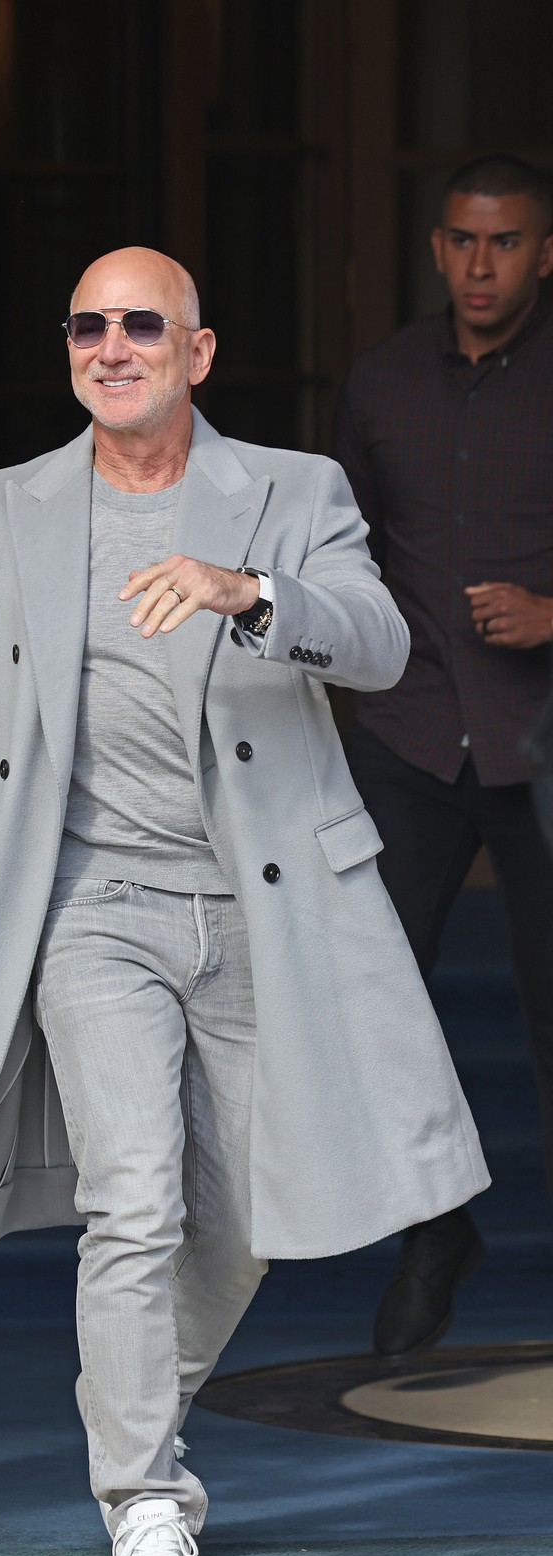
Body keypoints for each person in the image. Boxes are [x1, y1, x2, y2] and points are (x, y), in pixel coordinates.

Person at [0, 245, 488, 1556]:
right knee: (133, 1197)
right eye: (88, 325)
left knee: (243, 1220)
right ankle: (143, 1502)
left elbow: (381, 646)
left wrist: (251, 591)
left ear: (198, 352)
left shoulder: (294, 491)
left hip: (264, 908)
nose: (111, 345)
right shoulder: (0, 511)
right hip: (89, 908)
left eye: (142, 324)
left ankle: (122, 1407)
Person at [334, 155, 553, 1358]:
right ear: (436, 249)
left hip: (542, 740)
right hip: (409, 733)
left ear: (544, 254)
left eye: (506, 242)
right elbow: (341, 557)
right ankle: (435, 1230)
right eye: (464, 241)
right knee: (371, 1003)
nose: (482, 264)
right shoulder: (379, 384)